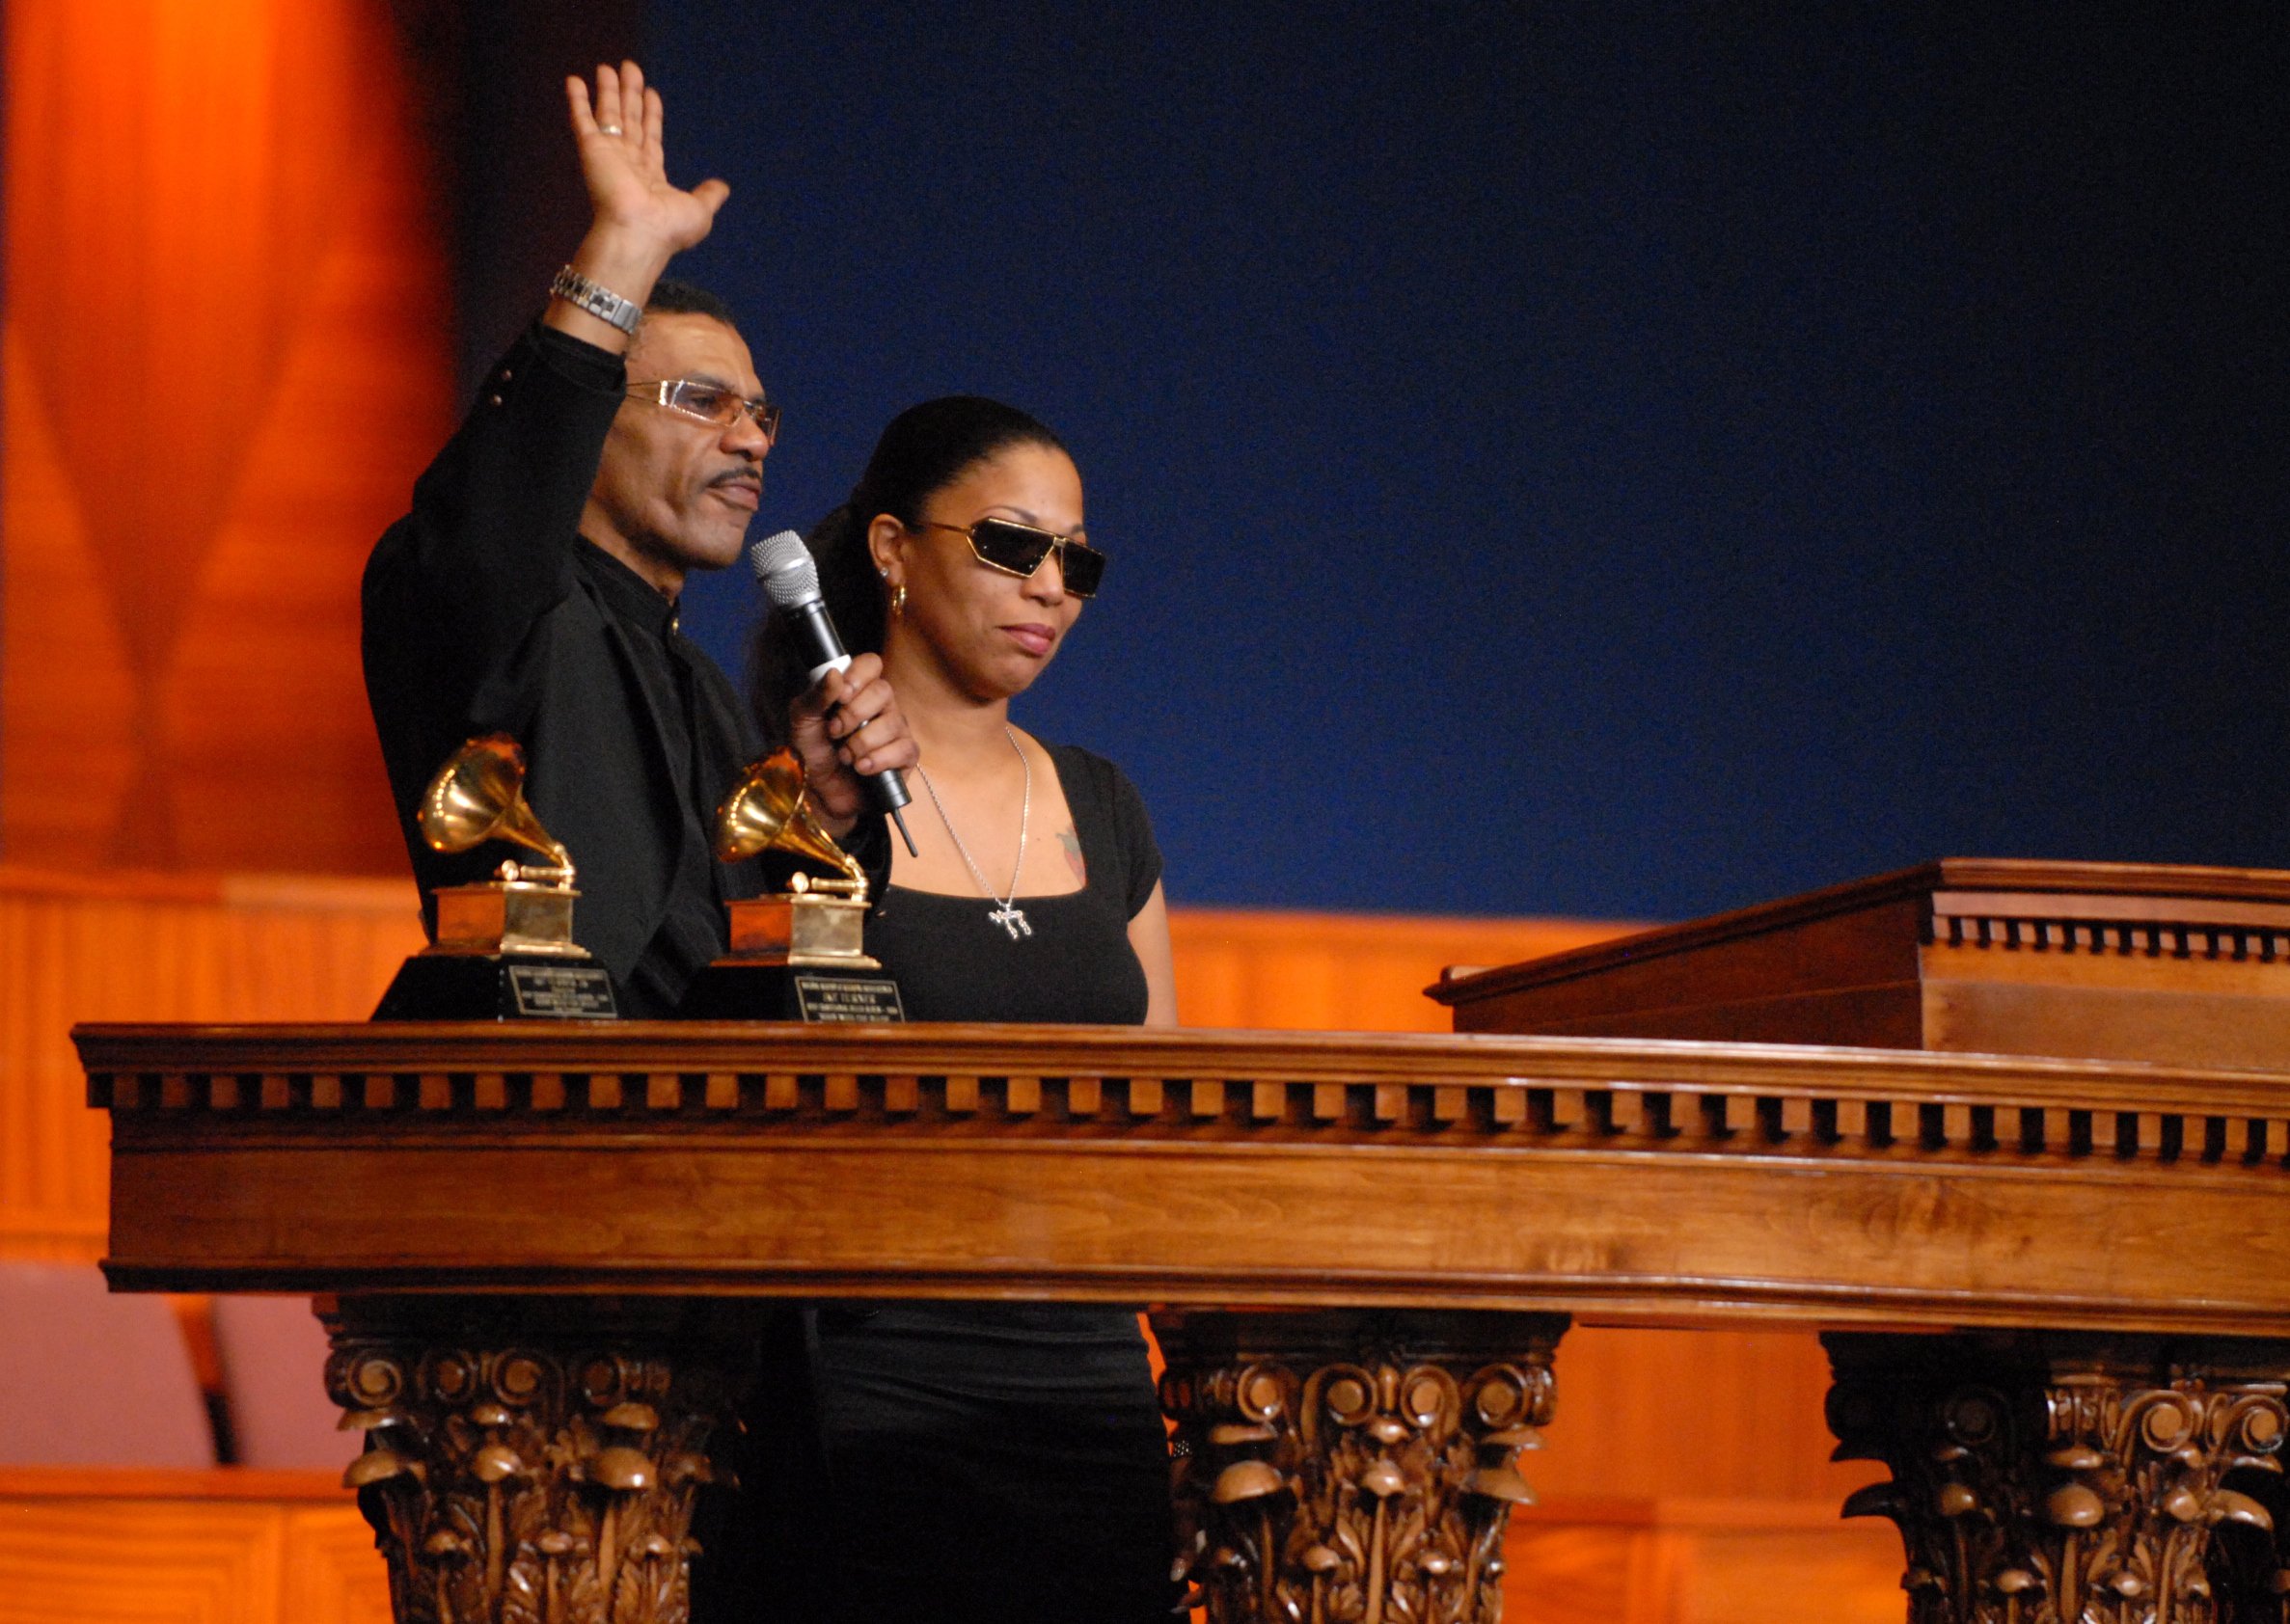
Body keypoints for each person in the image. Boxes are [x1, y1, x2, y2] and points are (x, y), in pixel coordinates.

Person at [745, 399, 1179, 1621]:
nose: (1050, 586)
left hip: (1088, 1390)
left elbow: (1164, 1121)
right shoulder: (787, 793)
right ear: (890, 550)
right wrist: (813, 829)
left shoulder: (1103, 804)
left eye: (1074, 560)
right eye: (1010, 545)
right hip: (873, 1385)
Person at [361, 63, 914, 1015]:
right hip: (528, 1116)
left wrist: (827, 813)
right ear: (588, 424)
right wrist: (622, 250)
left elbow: (755, 960)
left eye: (759, 415)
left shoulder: (696, 684)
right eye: (702, 402)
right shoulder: (484, 595)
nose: (749, 440)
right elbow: (502, 499)